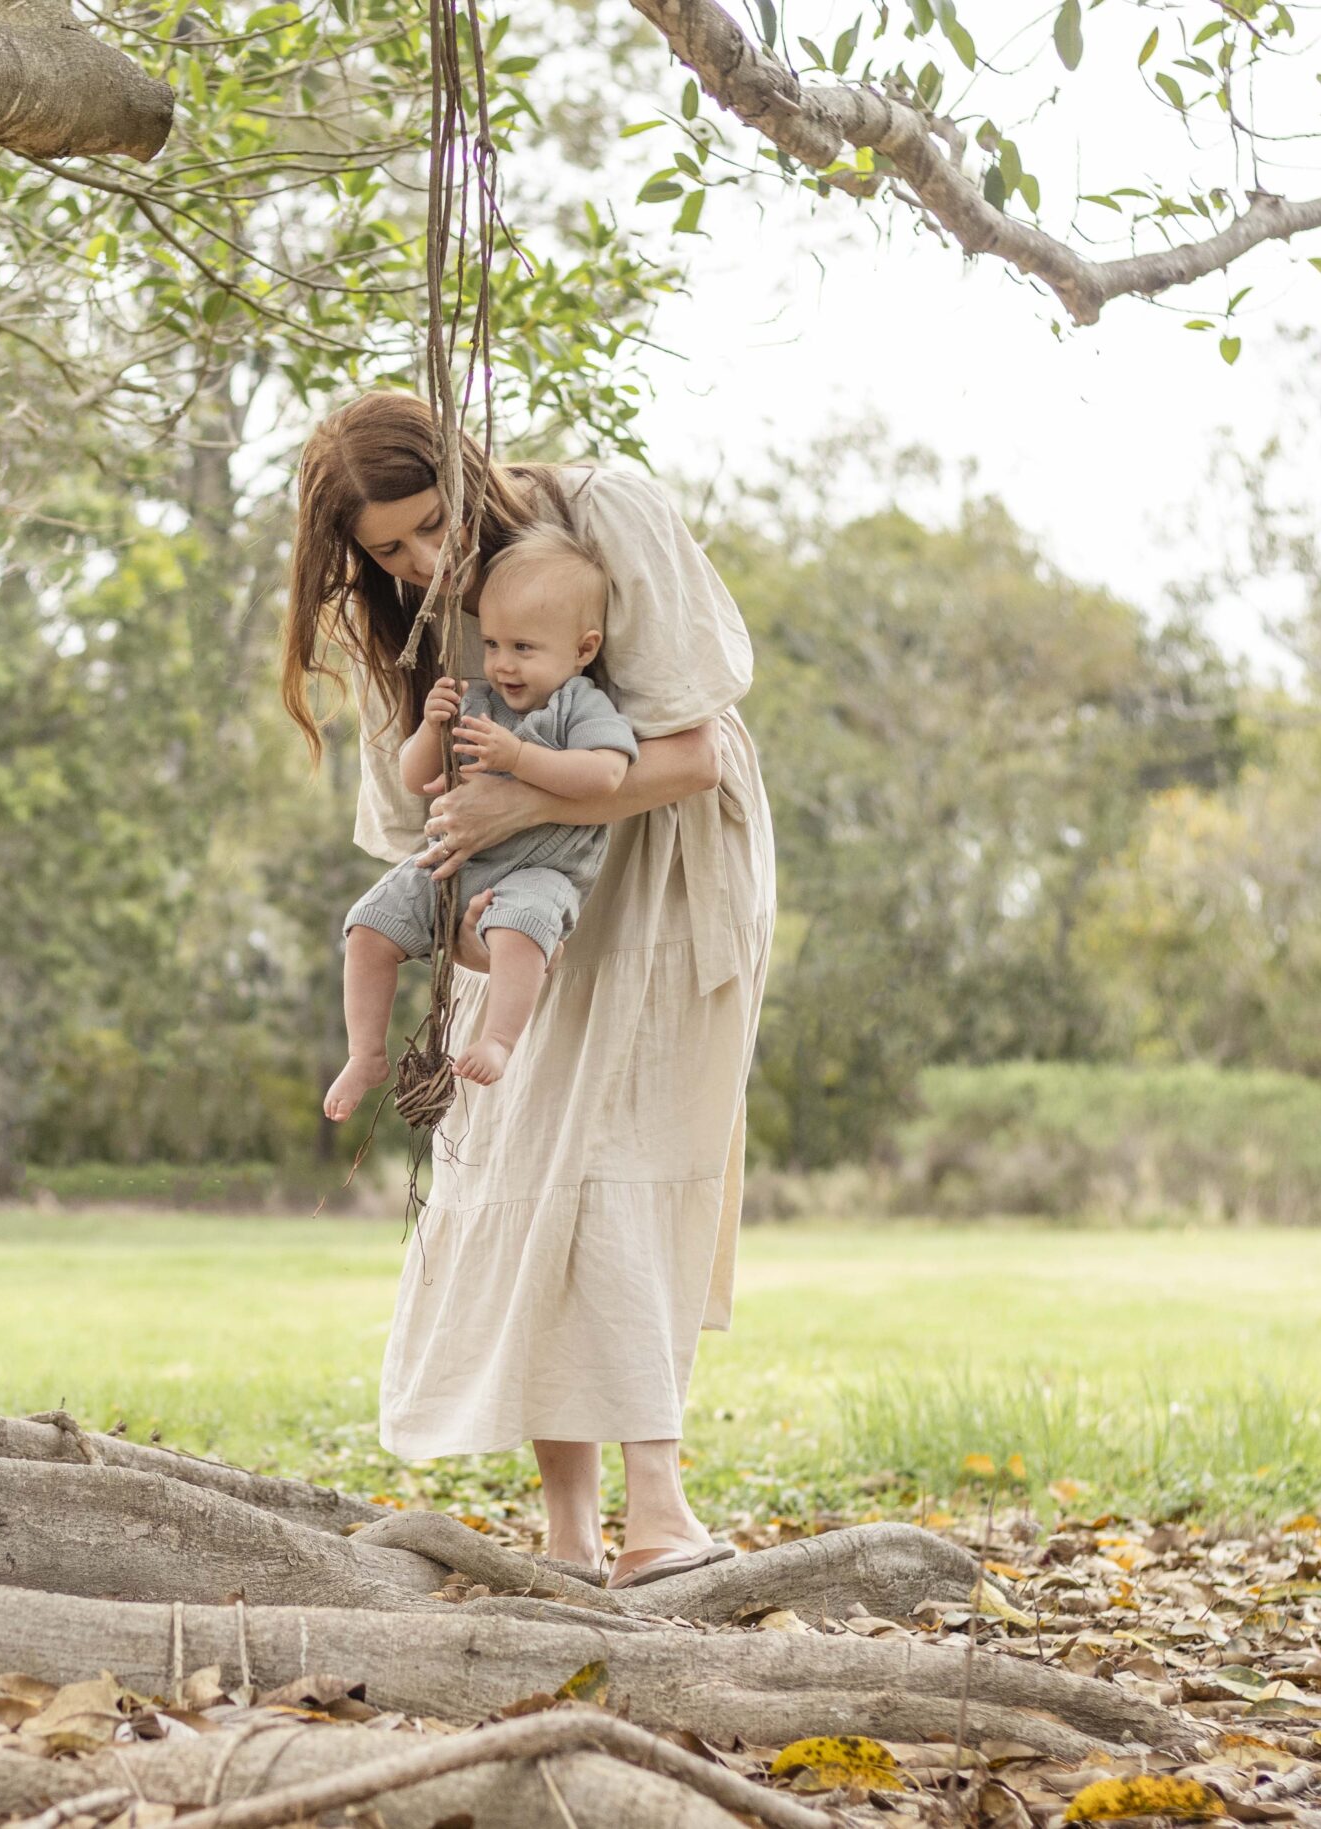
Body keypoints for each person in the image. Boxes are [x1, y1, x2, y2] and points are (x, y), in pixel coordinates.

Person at [283, 391, 776, 1590]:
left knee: (620, 1169)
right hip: (512, 906)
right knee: (523, 1171)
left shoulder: (601, 516)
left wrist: (528, 797)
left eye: (431, 525)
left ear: (472, 470)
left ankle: (657, 1510)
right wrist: (471, 844)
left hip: (657, 876)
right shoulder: (406, 622)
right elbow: (406, 816)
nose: (423, 560)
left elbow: (696, 750)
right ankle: (567, 1530)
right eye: (388, 550)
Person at [327, 526, 639, 1117]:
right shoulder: (479, 700)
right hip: (455, 859)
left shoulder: (580, 705)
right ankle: (365, 1052)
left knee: (520, 926)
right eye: (493, 644)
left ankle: (499, 1038)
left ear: (583, 648)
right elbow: (418, 778)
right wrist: (429, 729)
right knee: (366, 926)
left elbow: (606, 777)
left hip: (541, 871)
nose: (502, 664)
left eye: (524, 648)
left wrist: (518, 758)